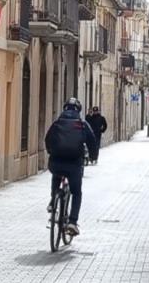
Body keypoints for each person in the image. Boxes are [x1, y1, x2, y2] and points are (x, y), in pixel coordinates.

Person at [45, 97, 97, 237]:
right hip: (74, 164)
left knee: (56, 175)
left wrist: (51, 152)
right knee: (76, 193)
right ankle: (73, 222)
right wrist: (93, 156)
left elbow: (47, 139)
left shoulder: (57, 123)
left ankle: (53, 200)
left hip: (56, 162)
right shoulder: (82, 124)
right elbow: (92, 142)